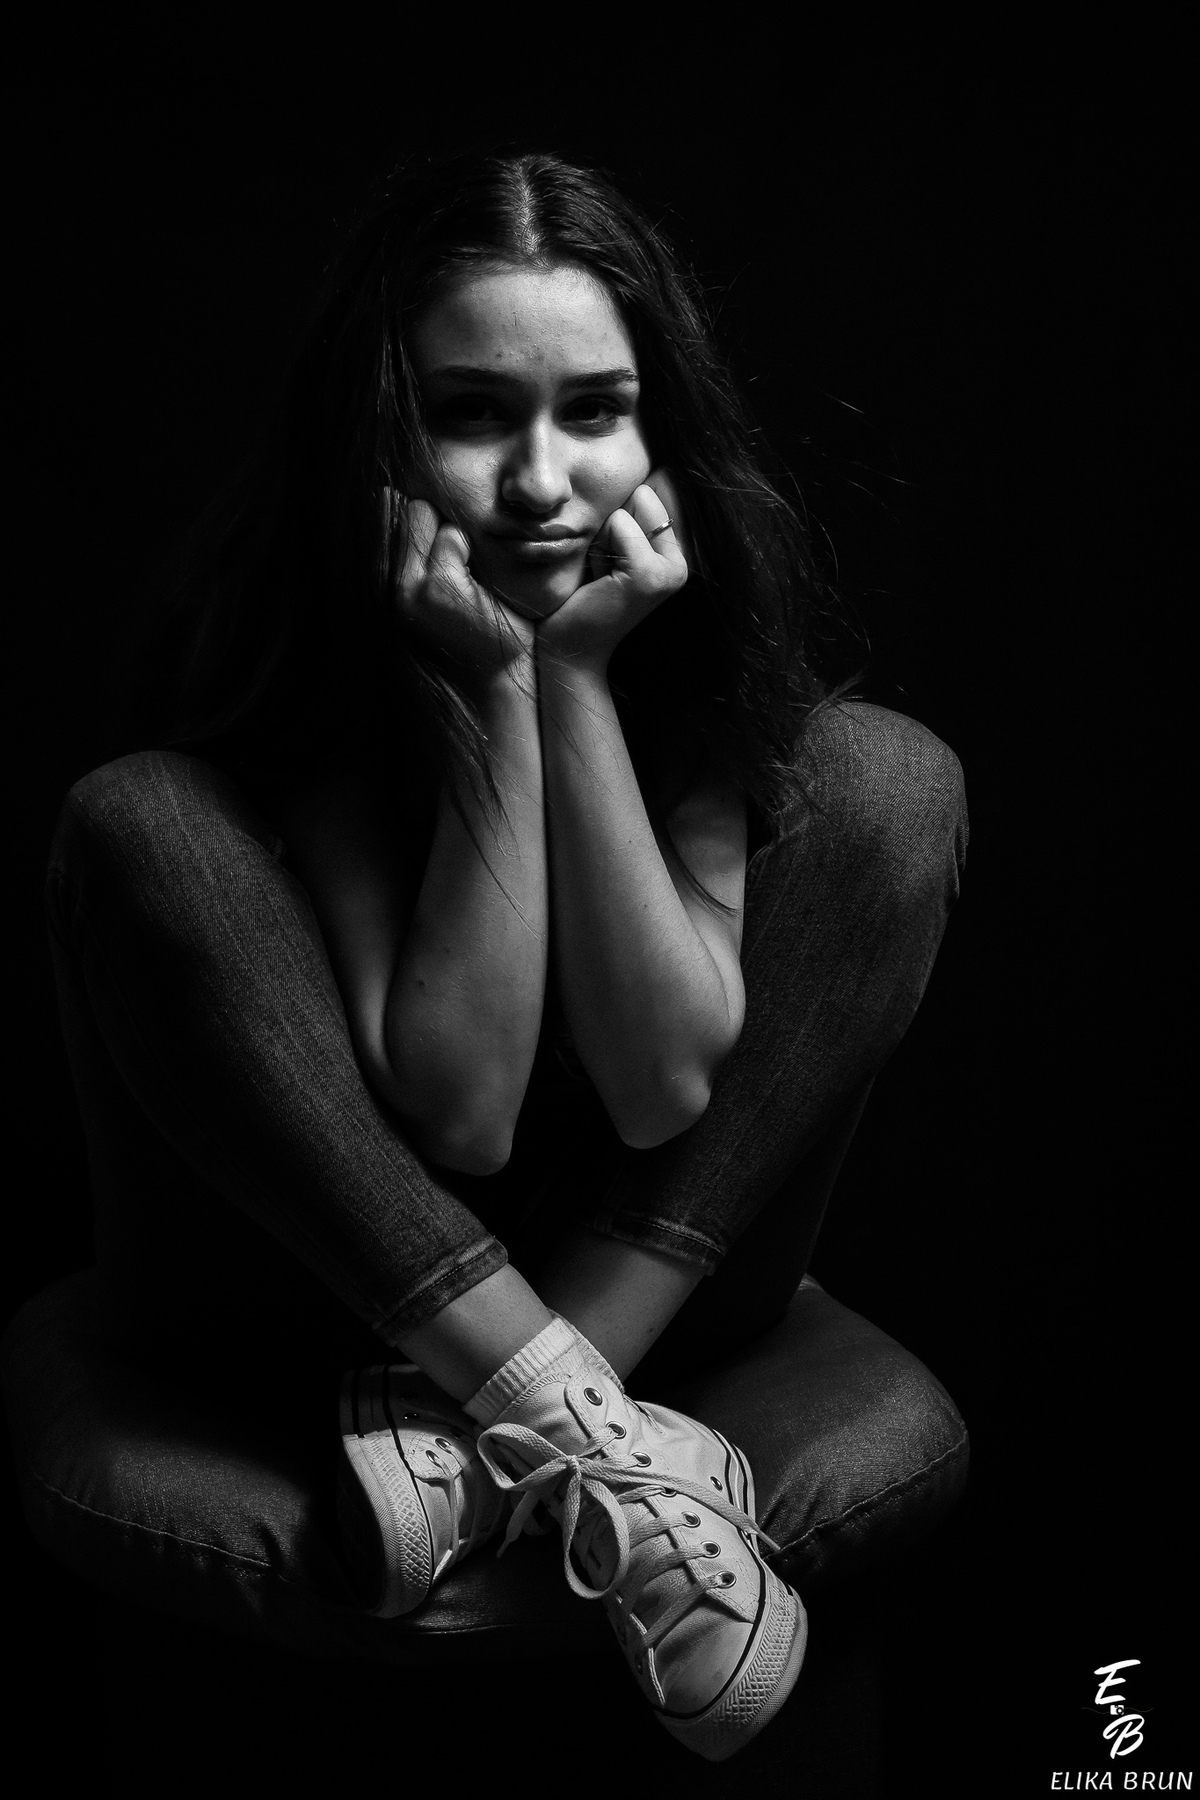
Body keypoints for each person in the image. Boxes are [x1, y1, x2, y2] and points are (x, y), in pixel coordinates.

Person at [46, 151, 968, 1762]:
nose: (544, 479)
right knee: (140, 820)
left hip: (640, 1280)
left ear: (660, 439)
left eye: (595, 410)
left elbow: (662, 1079)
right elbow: (462, 1114)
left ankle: (491, 1438)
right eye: (474, 414)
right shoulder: (324, 707)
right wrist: (492, 697)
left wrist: (580, 684)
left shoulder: (688, 694)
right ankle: (576, 1430)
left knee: (892, 777)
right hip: (335, 1304)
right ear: (381, 439)